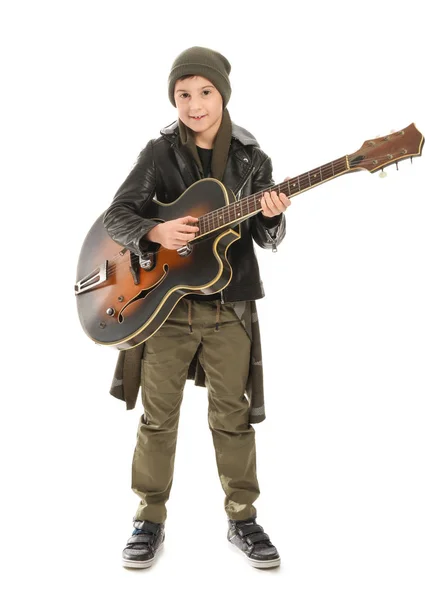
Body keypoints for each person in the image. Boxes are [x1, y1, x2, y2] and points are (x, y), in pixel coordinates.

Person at [103, 46, 291, 570]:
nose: (194, 104)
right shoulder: (159, 152)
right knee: (158, 419)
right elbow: (117, 215)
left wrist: (272, 217)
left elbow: (266, 236)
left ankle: (243, 516)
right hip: (166, 308)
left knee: (232, 418)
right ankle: (149, 518)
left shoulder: (252, 157)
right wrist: (154, 229)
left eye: (204, 92)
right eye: (183, 94)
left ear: (222, 95)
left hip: (228, 307)